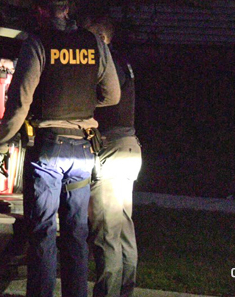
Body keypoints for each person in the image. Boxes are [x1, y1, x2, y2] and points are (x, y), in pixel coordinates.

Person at [0, 0, 121, 297]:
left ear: (39, 11)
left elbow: (20, 101)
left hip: (49, 150)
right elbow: (113, 95)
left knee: (44, 232)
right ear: (67, 10)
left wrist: (1, 141)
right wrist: (83, 105)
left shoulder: (37, 43)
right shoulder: (94, 43)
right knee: (76, 234)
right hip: (83, 151)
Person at [84, 16, 143, 297]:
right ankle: (125, 291)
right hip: (128, 146)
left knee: (106, 231)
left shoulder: (107, 63)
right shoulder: (123, 63)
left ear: (103, 38)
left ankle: (107, 293)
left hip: (111, 149)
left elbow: (106, 98)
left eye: (90, 37)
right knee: (122, 229)